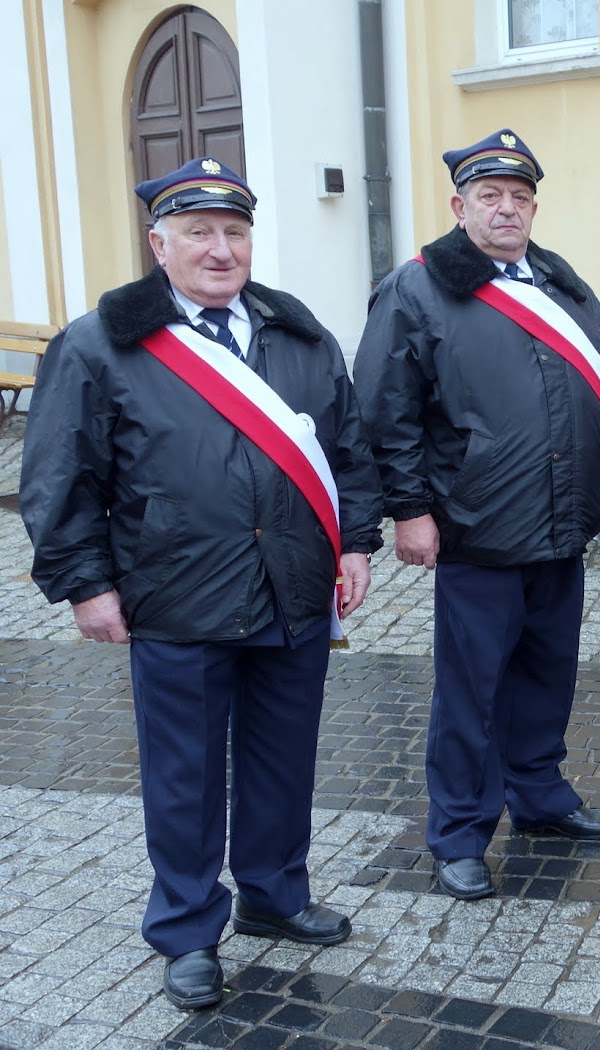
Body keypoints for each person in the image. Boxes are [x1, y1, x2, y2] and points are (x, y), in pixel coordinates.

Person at [20, 158, 384, 1010]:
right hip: (175, 591)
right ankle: (186, 929)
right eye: (199, 233)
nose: (220, 250)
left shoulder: (297, 335)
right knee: (184, 776)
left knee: (282, 757)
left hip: (294, 585)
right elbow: (57, 474)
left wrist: (357, 541)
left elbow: (347, 448)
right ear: (159, 244)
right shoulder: (102, 340)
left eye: (234, 232)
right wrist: (85, 582)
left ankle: (273, 893)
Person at [354, 129, 600, 903]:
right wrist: (408, 510)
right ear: (459, 205)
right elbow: (386, 412)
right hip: (476, 527)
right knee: (471, 690)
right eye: (489, 197)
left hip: (561, 524)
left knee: (547, 673)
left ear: (533, 208)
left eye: (518, 198)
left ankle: (539, 796)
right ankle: (459, 830)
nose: (505, 209)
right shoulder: (418, 289)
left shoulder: (566, 287)